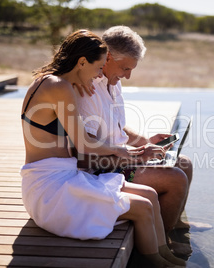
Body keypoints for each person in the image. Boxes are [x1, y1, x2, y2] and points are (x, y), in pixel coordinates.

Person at [20, 29, 185, 267]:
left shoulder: (53, 83)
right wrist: (126, 152)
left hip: (64, 175)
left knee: (148, 195)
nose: (99, 75)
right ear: (82, 62)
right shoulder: (59, 87)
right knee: (142, 205)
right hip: (50, 189)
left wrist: (79, 80)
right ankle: (154, 262)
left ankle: (162, 254)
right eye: (98, 68)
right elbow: (83, 144)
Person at [73, 26, 196, 251]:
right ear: (107, 57)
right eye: (125, 68)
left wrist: (145, 141)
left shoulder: (113, 81)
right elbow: (85, 153)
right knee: (174, 179)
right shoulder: (87, 89)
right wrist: (135, 159)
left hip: (120, 157)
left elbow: (117, 126)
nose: (127, 76)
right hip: (103, 169)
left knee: (184, 163)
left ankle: (176, 223)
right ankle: (163, 243)